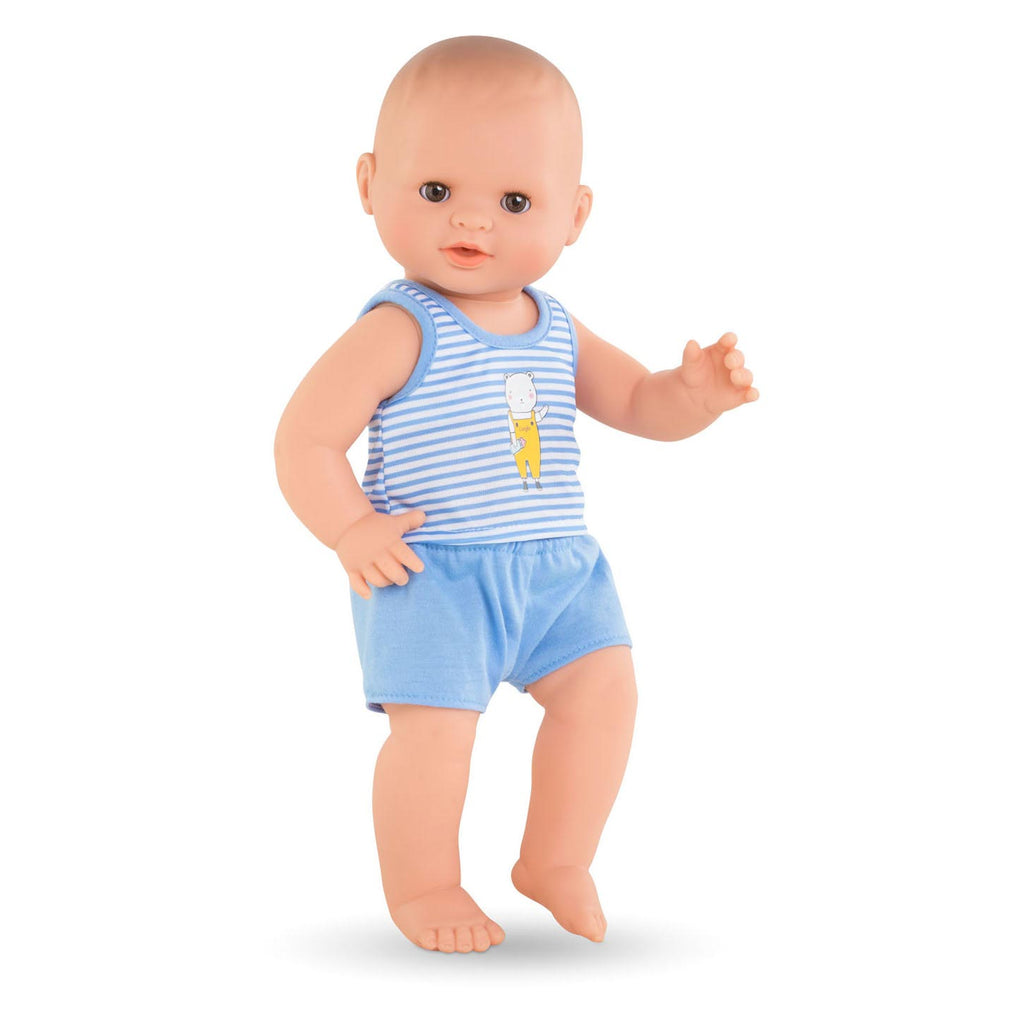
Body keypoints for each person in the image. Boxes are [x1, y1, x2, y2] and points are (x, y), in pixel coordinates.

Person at [274, 35, 758, 955]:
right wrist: (350, 528)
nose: (473, 220)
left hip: (560, 574)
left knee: (606, 696)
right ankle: (425, 885)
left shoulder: (557, 326)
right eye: (434, 190)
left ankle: (556, 859)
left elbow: (636, 403)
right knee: (436, 739)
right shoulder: (400, 326)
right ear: (370, 183)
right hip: (432, 573)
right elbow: (304, 439)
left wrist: (691, 398)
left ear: (574, 215)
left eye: (515, 202)